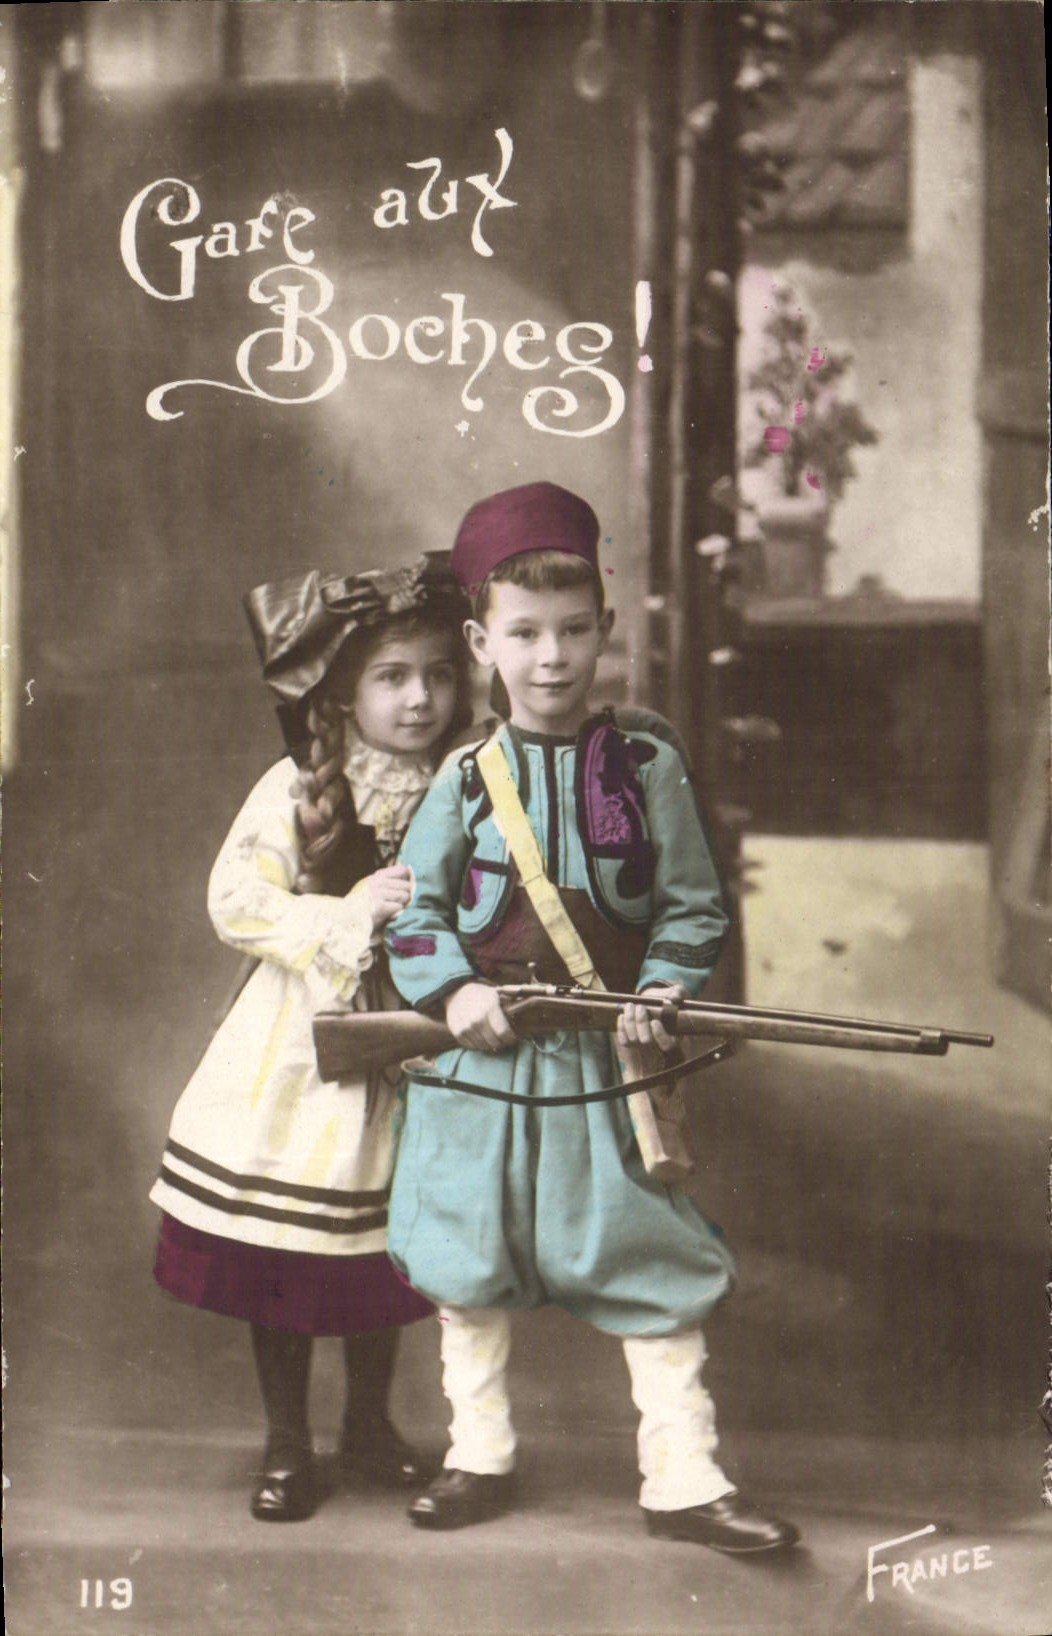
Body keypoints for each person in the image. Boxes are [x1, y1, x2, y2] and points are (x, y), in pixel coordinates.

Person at [384, 482, 798, 1553]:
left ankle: (683, 1475)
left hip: (606, 1064)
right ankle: (477, 1452)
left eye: (574, 631)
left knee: (647, 1261)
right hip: (479, 1062)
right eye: (523, 634)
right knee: (466, 1259)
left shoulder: (649, 766)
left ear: (606, 630)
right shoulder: (462, 780)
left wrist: (662, 984)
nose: (552, 658)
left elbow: (693, 904)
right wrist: (455, 992)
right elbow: (415, 913)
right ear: (481, 640)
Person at [149, 554, 473, 1522]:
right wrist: (344, 912)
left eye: (438, 674)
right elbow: (234, 900)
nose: (418, 698)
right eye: (391, 676)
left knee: (386, 1249)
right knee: (288, 1249)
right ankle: (287, 1441)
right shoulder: (299, 782)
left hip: (419, 1039)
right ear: (342, 689)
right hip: (303, 1042)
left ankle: (367, 1424)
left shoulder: (470, 778)